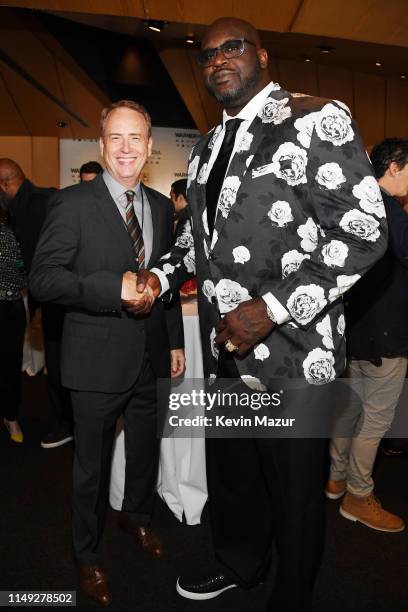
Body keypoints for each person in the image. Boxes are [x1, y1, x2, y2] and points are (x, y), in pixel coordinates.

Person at [133, 17, 388, 612]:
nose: (218, 60)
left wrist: (271, 309)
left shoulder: (316, 117)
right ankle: (238, 565)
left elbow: (365, 231)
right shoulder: (207, 145)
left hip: (297, 356)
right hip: (226, 347)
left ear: (264, 56)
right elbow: (200, 242)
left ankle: (292, 594)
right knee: (236, 477)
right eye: (207, 55)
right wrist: (161, 276)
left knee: (294, 490)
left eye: (233, 47)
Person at [29, 100, 185, 607]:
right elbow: (44, 279)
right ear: (100, 144)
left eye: (134, 138)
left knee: (144, 453)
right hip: (95, 362)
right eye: (115, 138)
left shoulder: (161, 207)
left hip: (150, 355)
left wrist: (176, 342)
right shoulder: (72, 204)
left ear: (148, 147)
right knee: (91, 472)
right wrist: (107, 288)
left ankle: (136, 519)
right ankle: (87, 555)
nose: (125, 148)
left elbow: (163, 276)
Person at [327, 138, 408, 532]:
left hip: (357, 330)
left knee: (351, 409)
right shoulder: (391, 209)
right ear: (394, 166)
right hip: (386, 334)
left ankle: (337, 477)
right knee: (375, 420)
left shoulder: (357, 203)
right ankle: (359, 496)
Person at [0, 159, 72, 449]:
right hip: (45, 298)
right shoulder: (25, 206)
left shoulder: (43, 203)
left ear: (5, 183)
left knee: (59, 364)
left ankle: (67, 425)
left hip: (58, 298)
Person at [0, 194, 27, 443]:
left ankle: (10, 416)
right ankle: (11, 418)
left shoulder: (11, 232)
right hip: (13, 305)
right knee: (10, 366)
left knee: (10, 366)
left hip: (11, 308)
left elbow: (20, 268)